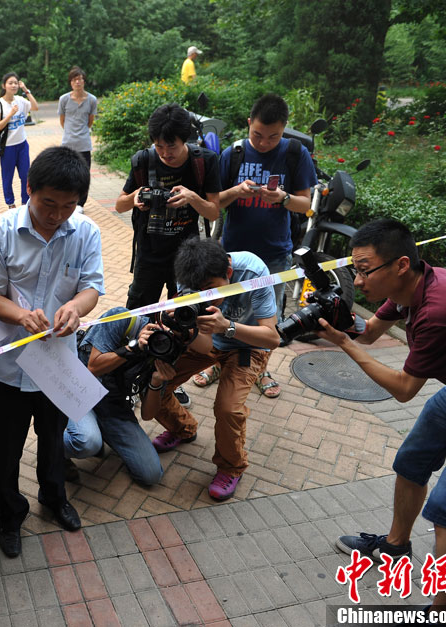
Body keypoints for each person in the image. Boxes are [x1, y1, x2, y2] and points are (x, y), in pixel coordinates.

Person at [326, 219, 446, 615]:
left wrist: (343, 345)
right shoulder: (408, 289)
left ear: (401, 264)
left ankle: (442, 615)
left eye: (364, 270)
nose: (358, 281)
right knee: (411, 462)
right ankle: (395, 548)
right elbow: (369, 332)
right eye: (354, 269)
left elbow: (405, 389)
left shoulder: (439, 310)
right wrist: (334, 317)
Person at [0, 146, 103, 557]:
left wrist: (76, 307)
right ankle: (9, 516)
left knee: (52, 439)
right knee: (7, 448)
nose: (57, 215)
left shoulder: (86, 232)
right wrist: (21, 316)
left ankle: (54, 497)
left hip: (57, 361)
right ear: (29, 188)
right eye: (49, 203)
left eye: (68, 205)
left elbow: (91, 287)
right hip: (5, 365)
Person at [195, 93, 318, 399]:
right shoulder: (233, 154)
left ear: (284, 128)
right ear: (249, 123)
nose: (264, 143)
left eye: (273, 136)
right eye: (257, 135)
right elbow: (214, 205)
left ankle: (260, 369)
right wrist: (236, 191)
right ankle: (217, 362)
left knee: (268, 316)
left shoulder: (295, 153)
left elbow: (305, 205)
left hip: (274, 252)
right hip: (232, 254)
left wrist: (283, 198)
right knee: (224, 308)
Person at [141, 237, 279, 501]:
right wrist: (179, 327)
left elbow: (272, 338)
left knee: (228, 408)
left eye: (211, 289)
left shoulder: (254, 272)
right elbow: (205, 346)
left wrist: (227, 327)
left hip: (249, 344)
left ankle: (231, 467)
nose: (206, 296)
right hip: (209, 338)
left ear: (229, 272)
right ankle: (182, 428)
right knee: (157, 381)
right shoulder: (188, 279)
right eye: (199, 291)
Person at [115, 103, 221, 407]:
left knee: (183, 322)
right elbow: (120, 205)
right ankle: (129, 378)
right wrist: (135, 197)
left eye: (170, 146)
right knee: (137, 317)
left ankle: (169, 382)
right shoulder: (143, 160)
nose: (164, 153)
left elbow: (213, 211)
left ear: (184, 139)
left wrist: (191, 197)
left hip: (186, 259)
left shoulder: (204, 162)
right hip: (149, 254)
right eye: (158, 146)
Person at [65, 306, 165, 486]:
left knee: (151, 474)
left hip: (114, 407)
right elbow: (94, 367)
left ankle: (99, 429)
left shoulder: (167, 352)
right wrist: (133, 348)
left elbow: (148, 415)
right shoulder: (123, 319)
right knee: (87, 442)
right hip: (80, 391)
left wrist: (156, 382)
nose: (166, 337)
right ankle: (53, 445)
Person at [0, 73, 39, 209]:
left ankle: (25, 203)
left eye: (16, 83)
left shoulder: (20, 100)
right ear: (4, 85)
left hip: (22, 145)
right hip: (8, 147)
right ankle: (10, 203)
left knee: (26, 176)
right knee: (8, 177)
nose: (13, 85)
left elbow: (35, 107)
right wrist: (10, 115)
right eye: (10, 83)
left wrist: (26, 90)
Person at [58, 66, 98, 207]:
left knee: (84, 175)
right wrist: (70, 132)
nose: (78, 82)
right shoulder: (64, 99)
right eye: (75, 79)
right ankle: (68, 201)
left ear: (84, 81)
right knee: (67, 174)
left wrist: (81, 132)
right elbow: (62, 121)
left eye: (80, 79)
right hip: (68, 143)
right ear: (71, 82)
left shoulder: (92, 100)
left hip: (84, 144)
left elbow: (90, 121)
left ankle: (80, 204)